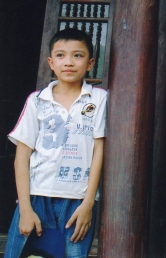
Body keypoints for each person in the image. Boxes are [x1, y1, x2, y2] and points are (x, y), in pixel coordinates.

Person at [5, 28, 107, 258]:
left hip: (78, 199)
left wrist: (89, 203)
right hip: (37, 195)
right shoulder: (37, 100)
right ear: (51, 62)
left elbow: (99, 150)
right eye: (61, 55)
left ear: (90, 63)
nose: (69, 62)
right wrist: (25, 208)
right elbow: (22, 156)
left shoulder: (99, 99)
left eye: (78, 55)